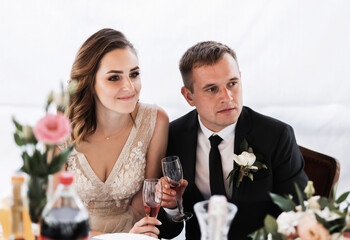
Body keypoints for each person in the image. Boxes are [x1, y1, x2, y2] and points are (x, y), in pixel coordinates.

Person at [158, 41, 308, 240]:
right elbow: (168, 232)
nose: (227, 97)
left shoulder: (277, 136)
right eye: (212, 89)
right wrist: (171, 207)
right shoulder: (171, 137)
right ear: (189, 96)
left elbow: (299, 215)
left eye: (232, 83)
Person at [59, 28, 168, 238]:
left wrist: (133, 235)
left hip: (132, 235)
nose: (129, 86)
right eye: (114, 78)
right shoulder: (60, 125)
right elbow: (51, 213)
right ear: (89, 82)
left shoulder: (156, 121)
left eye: (134, 74)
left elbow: (143, 202)